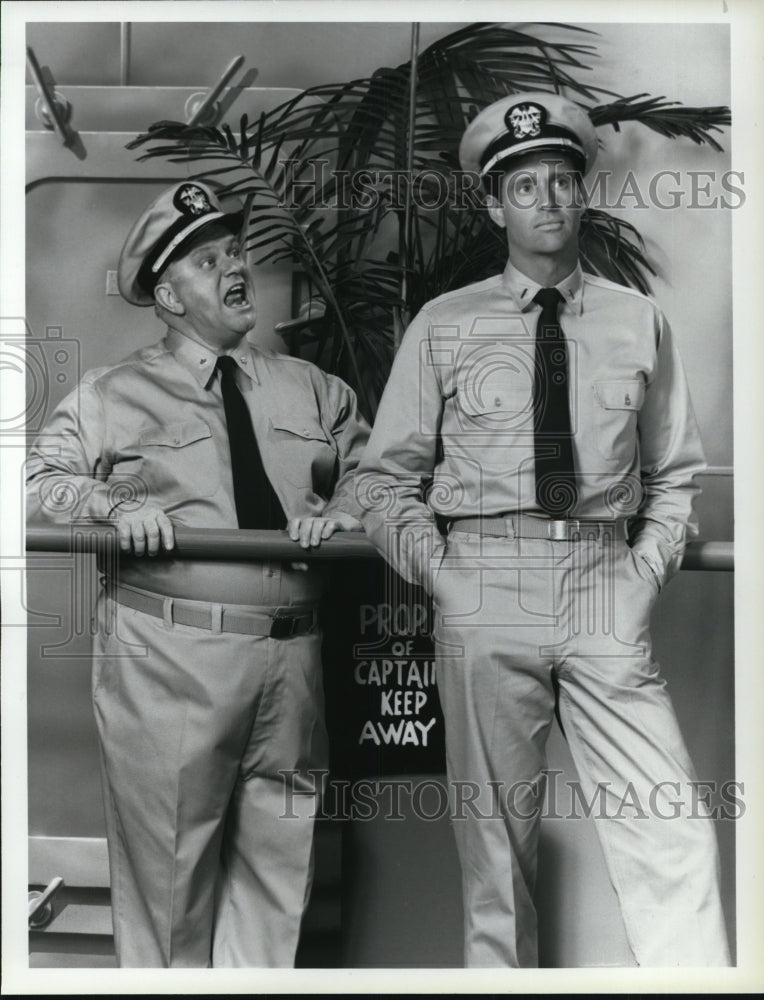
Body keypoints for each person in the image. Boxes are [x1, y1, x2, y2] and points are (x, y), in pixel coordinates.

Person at [356, 93, 730, 967]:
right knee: (497, 860)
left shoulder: (638, 321)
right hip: (485, 579)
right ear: (495, 206)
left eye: (563, 181)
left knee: (670, 830)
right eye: (526, 187)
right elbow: (383, 483)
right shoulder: (444, 324)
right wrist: (447, 579)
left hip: (604, 580)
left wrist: (639, 579)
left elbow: (675, 475)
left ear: (583, 194)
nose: (550, 201)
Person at [26, 180, 370, 967]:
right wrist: (110, 504)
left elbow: (379, 474)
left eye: (236, 252)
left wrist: (348, 508)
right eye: (209, 260)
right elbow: (38, 485)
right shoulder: (116, 396)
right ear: (168, 296)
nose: (235, 267)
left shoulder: (312, 388)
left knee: (276, 893)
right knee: (170, 893)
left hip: (292, 664)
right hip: (172, 663)